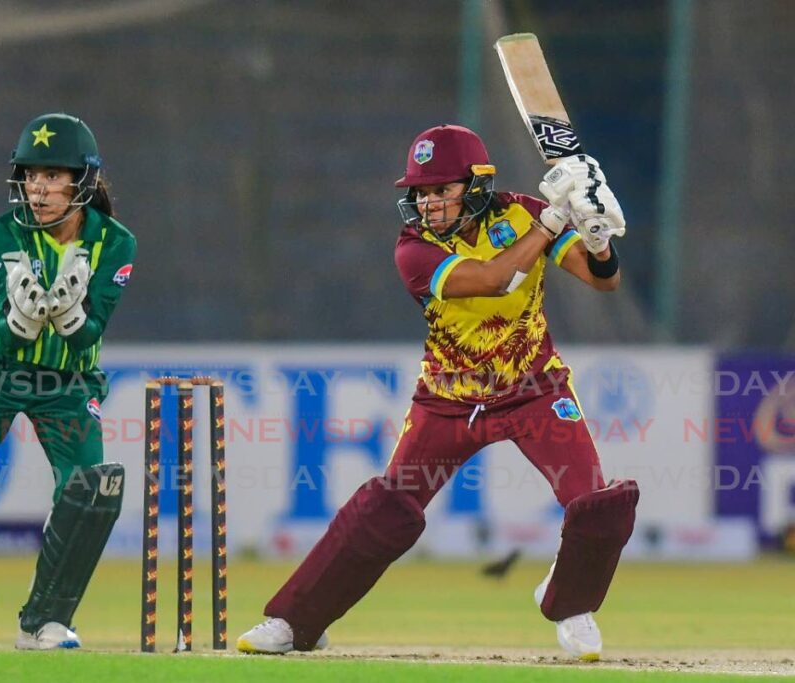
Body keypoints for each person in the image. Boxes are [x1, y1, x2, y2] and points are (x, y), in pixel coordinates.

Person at [237, 125, 639, 660]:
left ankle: (570, 604)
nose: (428, 203)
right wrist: (555, 218)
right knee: (387, 507)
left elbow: (603, 280)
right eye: (421, 193)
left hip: (534, 391)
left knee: (596, 505)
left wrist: (594, 234)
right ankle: (296, 622)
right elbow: (496, 279)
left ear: (474, 185)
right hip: (448, 401)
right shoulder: (414, 250)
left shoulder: (520, 212)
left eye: (441, 190)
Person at [0, 112, 137, 650]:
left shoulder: (116, 243)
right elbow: (6, 326)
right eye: (31, 175)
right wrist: (19, 319)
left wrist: (68, 318)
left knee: (91, 488)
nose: (38, 189)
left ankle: (45, 619)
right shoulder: (5, 230)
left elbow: (89, 337)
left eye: (53, 176)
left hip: (67, 380)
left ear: (82, 182)